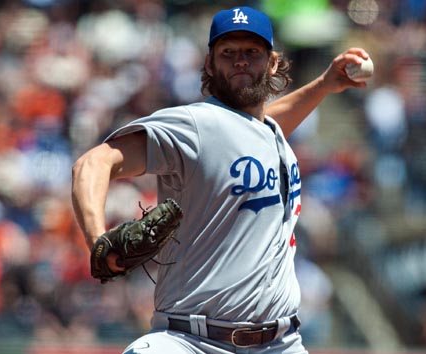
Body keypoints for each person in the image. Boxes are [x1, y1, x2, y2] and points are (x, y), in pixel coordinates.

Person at [71, 5, 369, 354]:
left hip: (281, 344)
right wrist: (97, 240)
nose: (240, 61)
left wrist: (322, 85)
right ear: (210, 63)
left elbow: (257, 129)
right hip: (191, 340)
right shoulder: (195, 125)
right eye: (228, 52)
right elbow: (94, 163)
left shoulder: (266, 133)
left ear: (272, 62)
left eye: (251, 52)